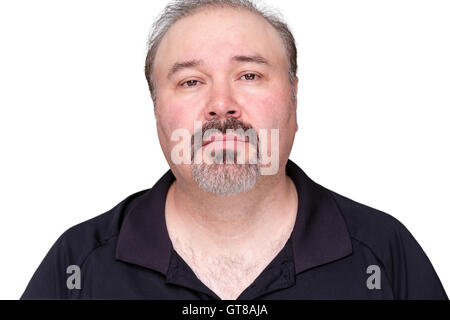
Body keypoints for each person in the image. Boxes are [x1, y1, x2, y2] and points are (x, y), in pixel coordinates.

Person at [21, 0, 447, 300]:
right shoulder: (77, 266)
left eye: (249, 75)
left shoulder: (384, 256)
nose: (221, 103)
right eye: (190, 81)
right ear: (156, 110)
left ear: (294, 99)